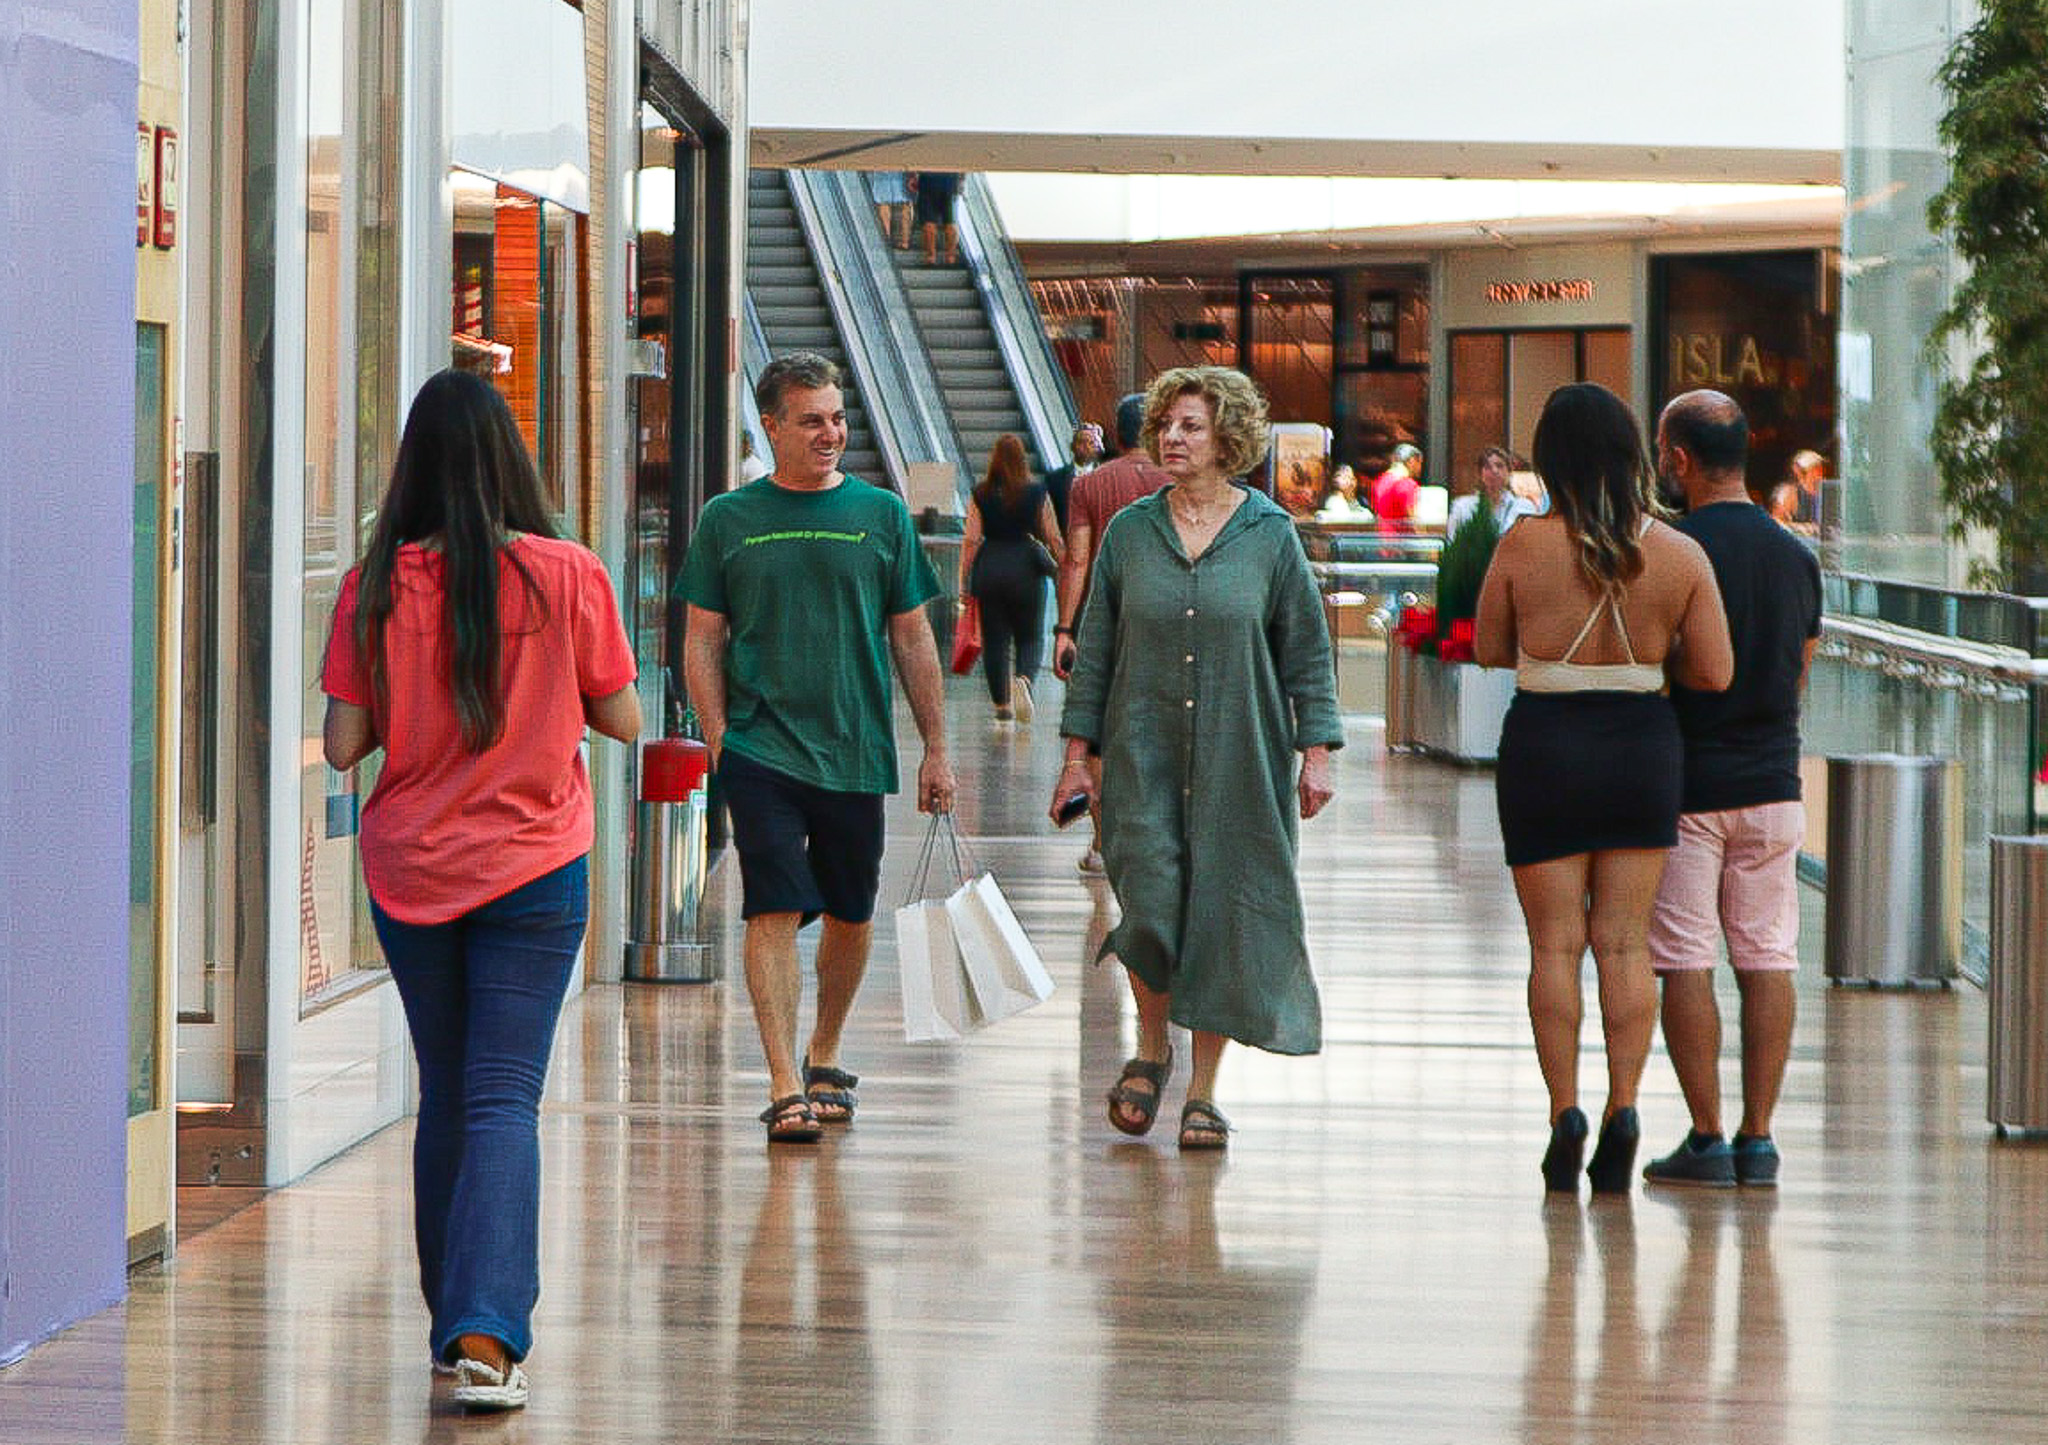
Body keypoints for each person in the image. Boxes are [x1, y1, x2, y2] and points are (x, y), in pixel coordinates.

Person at [319, 369, 643, 1412]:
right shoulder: (567, 572)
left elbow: (341, 744)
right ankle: (486, 1335)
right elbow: (625, 718)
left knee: (448, 1088)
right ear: (510, 457)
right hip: (537, 866)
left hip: (413, 870)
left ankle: (450, 1322)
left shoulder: (375, 583)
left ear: (411, 463)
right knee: (504, 1091)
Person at [1053, 365, 1341, 1151]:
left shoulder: (1270, 535)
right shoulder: (1130, 532)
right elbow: (1099, 651)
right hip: (1139, 754)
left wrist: (1317, 751)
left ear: (1229, 440)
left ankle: (1203, 1092)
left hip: (1239, 755)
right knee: (1147, 901)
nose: (1172, 438)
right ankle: (1152, 1045)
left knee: (1220, 907)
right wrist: (1078, 756)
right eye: (1167, 426)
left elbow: (1307, 654)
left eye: (1191, 427)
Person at [680, 352, 956, 1143]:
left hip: (855, 746)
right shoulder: (728, 519)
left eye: (837, 417)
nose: (831, 432)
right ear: (770, 427)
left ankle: (825, 1050)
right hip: (761, 747)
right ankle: (780, 1081)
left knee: (849, 904)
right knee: (770, 898)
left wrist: (937, 747)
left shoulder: (880, 513)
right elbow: (704, 635)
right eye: (812, 420)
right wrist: (719, 735)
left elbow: (913, 636)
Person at [1474, 382, 1733, 1196]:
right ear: (1633, 451)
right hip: (1640, 750)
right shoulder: (1682, 553)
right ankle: (1624, 1106)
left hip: (1546, 745)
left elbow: (1487, 648)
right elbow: (1715, 671)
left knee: (1554, 945)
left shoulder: (1521, 545)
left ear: (1549, 456)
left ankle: (1564, 1113)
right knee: (1624, 945)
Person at [1642, 390, 1822, 1189]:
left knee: (1685, 957)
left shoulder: (1670, 549)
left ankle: (1707, 1135)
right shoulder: (1796, 555)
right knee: (1768, 952)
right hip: (1774, 780)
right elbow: (1802, 669)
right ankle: (1760, 1138)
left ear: (1678, 458)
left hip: (1688, 781)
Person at [1051, 392, 1174, 874]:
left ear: (1117, 435)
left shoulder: (1090, 486)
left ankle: (1102, 842)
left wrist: (1064, 628)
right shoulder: (1175, 483)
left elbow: (1077, 558)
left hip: (1102, 622)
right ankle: (1155, 837)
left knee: (1098, 733)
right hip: (1164, 619)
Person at [957, 433, 1064, 724]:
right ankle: (1025, 680)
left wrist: (963, 582)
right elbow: (1053, 536)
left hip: (989, 567)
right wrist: (1065, 567)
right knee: (1030, 637)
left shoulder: (980, 493)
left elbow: (971, 540)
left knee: (995, 642)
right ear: (1021, 460)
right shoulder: (1036, 491)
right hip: (1026, 569)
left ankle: (1002, 705)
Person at [1447, 445, 1538, 538]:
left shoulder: (1525, 507)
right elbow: (1453, 541)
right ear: (1480, 474)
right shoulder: (1462, 507)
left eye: (1500, 466)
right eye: (1487, 467)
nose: (1494, 471)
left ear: (1509, 472)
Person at [1044, 421, 1105, 534]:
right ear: (1073, 447)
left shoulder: (1106, 477)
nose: (1086, 447)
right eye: (1082, 443)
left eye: (1091, 443)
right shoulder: (1055, 479)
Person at [911, 171, 963, 264]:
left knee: (929, 223)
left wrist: (913, 176)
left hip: (927, 181)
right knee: (950, 222)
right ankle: (951, 257)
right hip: (950, 182)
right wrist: (961, 180)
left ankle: (930, 257)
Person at [865, 170, 911, 250]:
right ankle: (904, 241)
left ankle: (887, 239)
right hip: (900, 172)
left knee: (883, 203)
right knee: (904, 205)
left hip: (882, 172)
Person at [1788, 448, 1825, 528]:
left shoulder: (1827, 493)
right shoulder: (1792, 493)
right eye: (1816, 469)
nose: (1820, 474)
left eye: (1820, 469)